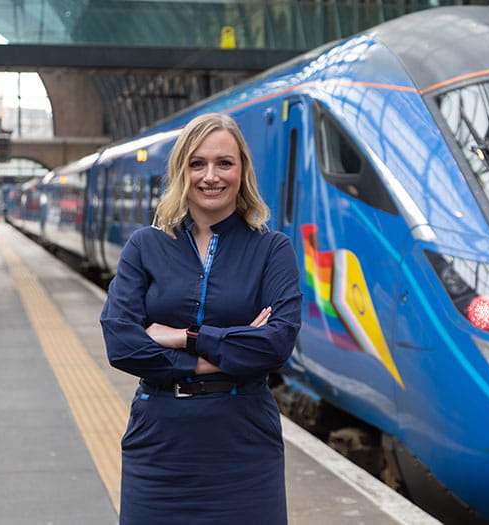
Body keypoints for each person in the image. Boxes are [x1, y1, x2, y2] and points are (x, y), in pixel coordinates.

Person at [100, 112, 302, 524]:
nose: (211, 176)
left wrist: (181, 338)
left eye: (224, 163)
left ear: (242, 169)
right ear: (181, 171)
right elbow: (121, 343)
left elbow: (276, 345)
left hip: (244, 442)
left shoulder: (273, 249)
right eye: (198, 163)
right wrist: (230, 347)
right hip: (159, 443)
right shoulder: (145, 246)